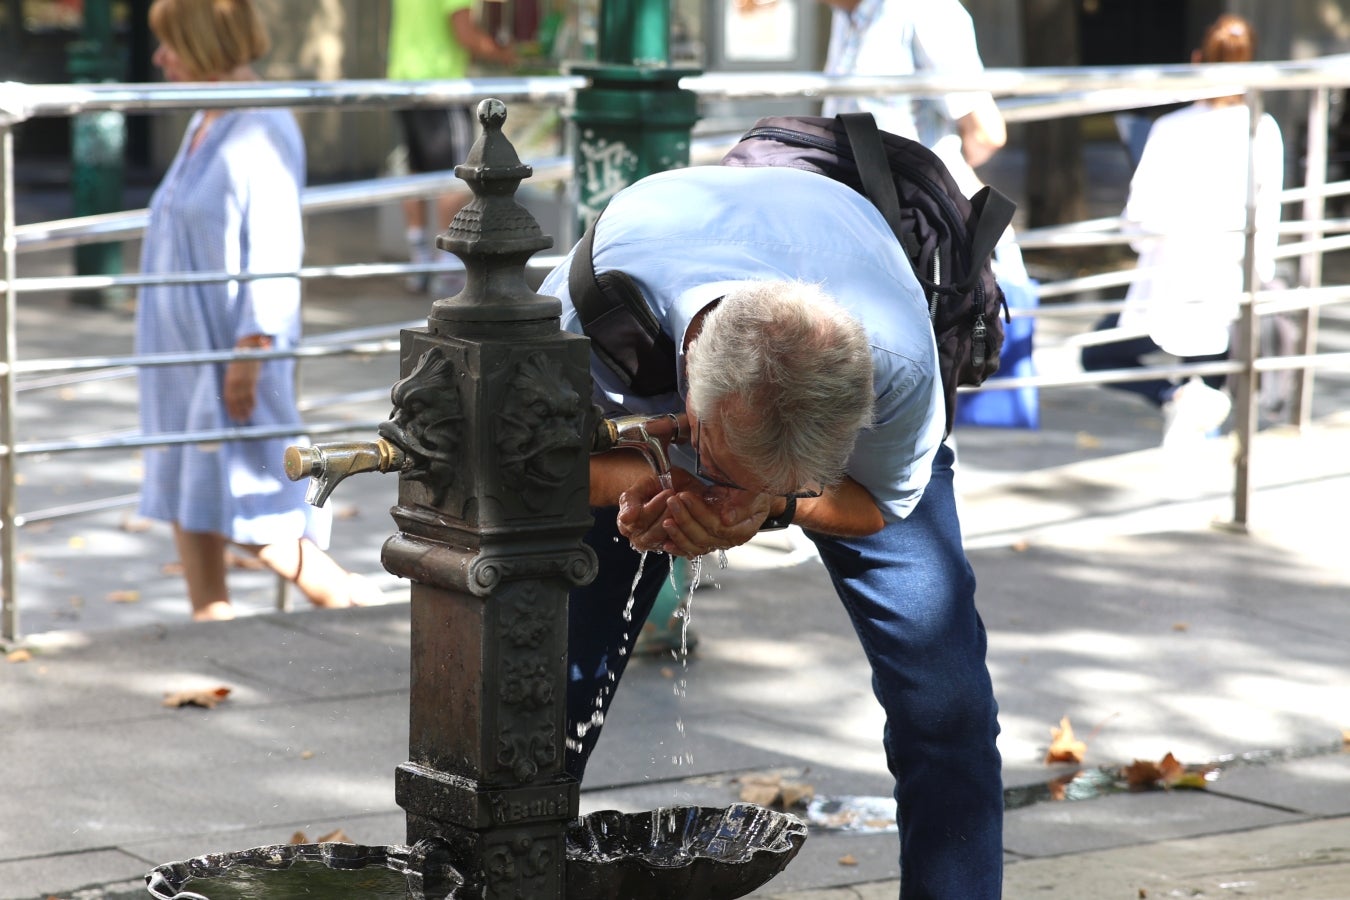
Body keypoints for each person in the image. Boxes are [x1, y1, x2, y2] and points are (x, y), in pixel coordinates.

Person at [540, 164, 1003, 899]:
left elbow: (879, 506)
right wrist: (653, 482)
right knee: (543, 697)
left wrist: (775, 506)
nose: (741, 494)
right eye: (726, 465)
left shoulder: (900, 367)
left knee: (948, 710)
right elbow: (527, 469)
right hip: (668, 314)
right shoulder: (591, 310)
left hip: (829, 334)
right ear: (688, 400)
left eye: (785, 481)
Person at [137, 0, 377, 622]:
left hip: (230, 347)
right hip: (186, 348)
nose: (159, 59)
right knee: (193, 496)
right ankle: (207, 624)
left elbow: (273, 244)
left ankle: (355, 607)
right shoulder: (204, 119)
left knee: (257, 513)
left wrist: (251, 347)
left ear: (205, 47)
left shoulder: (259, 124)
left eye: (171, 45)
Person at [1080, 14, 1284, 447]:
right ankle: (1188, 418)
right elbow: (1269, 215)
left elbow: (1137, 218)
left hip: (1168, 277)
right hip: (1229, 280)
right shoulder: (1261, 128)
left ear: (1197, 62)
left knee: (1098, 354)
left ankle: (1171, 396)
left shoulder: (1169, 129)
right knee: (1206, 389)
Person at [387, 0, 516, 296]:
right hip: (441, 85)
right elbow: (465, 33)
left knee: (415, 171)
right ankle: (445, 266)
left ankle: (419, 261)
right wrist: (503, 53)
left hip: (402, 81)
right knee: (459, 175)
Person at [819, 0, 1007, 198]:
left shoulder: (921, 7)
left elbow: (985, 133)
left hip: (915, 204)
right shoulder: (845, 14)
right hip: (858, 200)